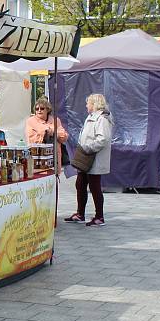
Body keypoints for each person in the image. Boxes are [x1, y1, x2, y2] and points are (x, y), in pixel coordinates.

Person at [64, 94, 113, 227]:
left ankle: (99, 217)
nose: (86, 106)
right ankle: (80, 214)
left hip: (94, 158)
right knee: (80, 184)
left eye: (88, 103)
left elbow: (103, 139)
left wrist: (88, 147)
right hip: (86, 157)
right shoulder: (91, 117)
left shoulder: (102, 119)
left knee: (94, 186)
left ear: (94, 104)